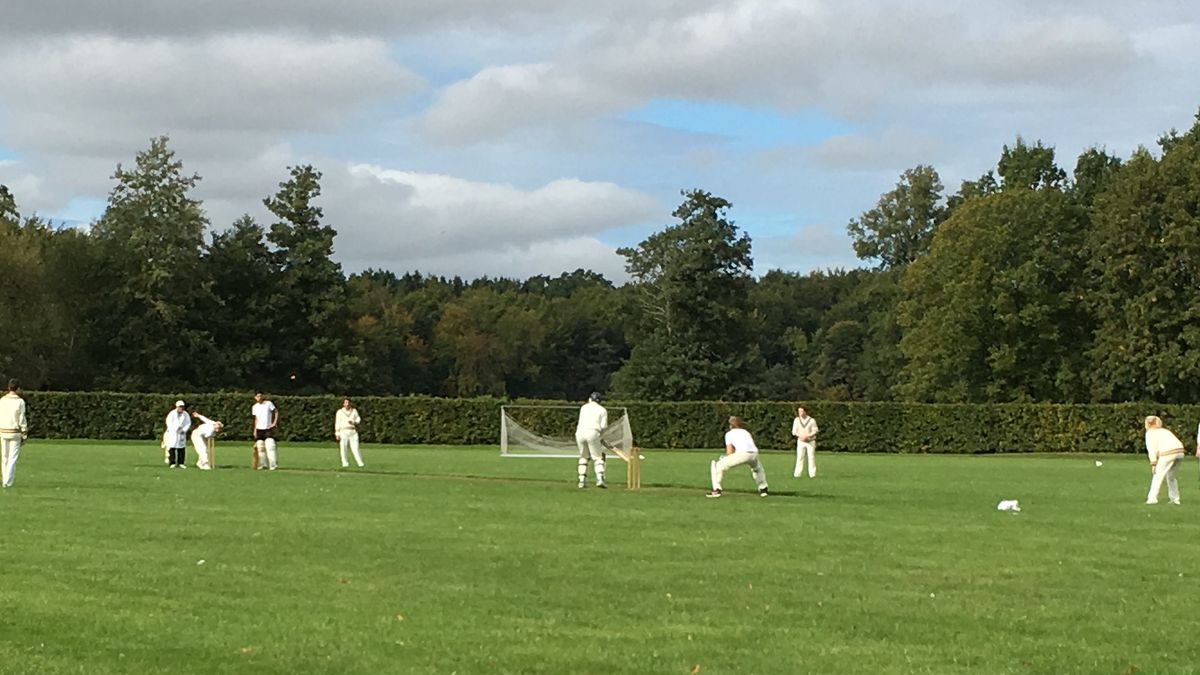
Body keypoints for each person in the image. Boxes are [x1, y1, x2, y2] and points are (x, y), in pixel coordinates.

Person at [707, 416, 769, 498]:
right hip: (754, 453)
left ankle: (716, 490)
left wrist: (724, 458)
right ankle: (763, 489)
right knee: (757, 469)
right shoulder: (745, 432)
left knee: (718, 465)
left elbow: (729, 452)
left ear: (730, 426)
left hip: (742, 454)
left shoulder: (729, 434)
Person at [1145, 415, 1184, 505]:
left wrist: (1153, 464)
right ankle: (1175, 499)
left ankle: (1152, 499)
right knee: (1171, 477)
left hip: (1168, 453)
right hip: (1180, 452)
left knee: (1158, 475)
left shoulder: (1150, 433)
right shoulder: (1164, 431)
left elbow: (1152, 449)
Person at [575, 391, 608, 489]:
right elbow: (603, 426)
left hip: (580, 433)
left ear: (590, 399)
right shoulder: (602, 410)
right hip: (593, 432)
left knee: (584, 456)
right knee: (597, 457)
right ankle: (600, 479)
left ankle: (581, 481)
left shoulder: (583, 407)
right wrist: (600, 437)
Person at [0, 379, 29, 488]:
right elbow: (22, 418)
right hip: (15, 432)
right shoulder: (20, 401)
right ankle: (7, 481)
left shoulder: (2, 400)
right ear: (18, 389)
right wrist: (24, 432)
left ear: (8, 387)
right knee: (12, 457)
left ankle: (5, 480)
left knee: (4, 456)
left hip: (3, 431)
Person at [251, 392, 279, 470]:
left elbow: (276, 412)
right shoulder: (254, 407)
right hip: (259, 428)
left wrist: (274, 423)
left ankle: (273, 465)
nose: (259, 397)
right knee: (260, 446)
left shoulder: (268, 404)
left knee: (270, 445)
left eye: (260, 396)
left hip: (267, 428)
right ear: (255, 397)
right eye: (257, 396)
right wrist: (255, 430)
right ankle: (263, 464)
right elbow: (256, 419)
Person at [335, 398, 364, 468]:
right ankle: (344, 463)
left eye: (348, 403)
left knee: (355, 447)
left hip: (352, 431)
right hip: (343, 431)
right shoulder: (340, 412)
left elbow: (358, 418)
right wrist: (337, 433)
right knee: (343, 447)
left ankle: (360, 462)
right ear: (343, 404)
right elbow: (337, 422)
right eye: (345, 403)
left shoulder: (354, 411)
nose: (347, 404)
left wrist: (354, 422)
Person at [791, 406, 819, 478]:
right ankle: (797, 474)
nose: (800, 413)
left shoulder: (811, 420)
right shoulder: (796, 420)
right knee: (800, 457)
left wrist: (807, 436)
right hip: (801, 441)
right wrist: (801, 436)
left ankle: (812, 474)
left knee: (811, 457)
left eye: (801, 411)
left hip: (810, 441)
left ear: (805, 412)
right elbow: (794, 431)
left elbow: (815, 430)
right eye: (799, 411)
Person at [163, 400, 191, 469]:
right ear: (177, 407)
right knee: (172, 447)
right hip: (173, 433)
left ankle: (181, 463)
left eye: (182, 407)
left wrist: (184, 430)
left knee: (181, 448)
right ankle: (172, 463)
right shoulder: (172, 414)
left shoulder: (186, 414)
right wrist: (176, 429)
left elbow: (188, 423)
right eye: (180, 407)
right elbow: (169, 422)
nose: (181, 408)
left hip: (181, 433)